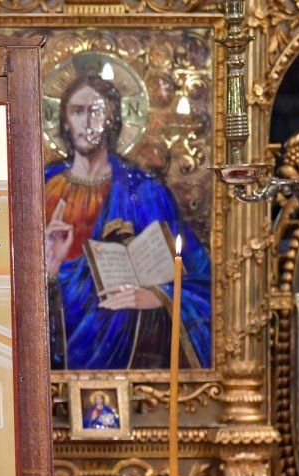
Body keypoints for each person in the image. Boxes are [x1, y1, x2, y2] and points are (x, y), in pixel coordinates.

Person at [44, 74, 211, 370]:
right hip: (55, 352)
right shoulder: (41, 186)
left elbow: (199, 277)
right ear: (65, 121)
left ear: (112, 119)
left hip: (132, 352)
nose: (87, 122)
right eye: (78, 111)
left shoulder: (145, 191)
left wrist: (159, 296)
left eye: (96, 111)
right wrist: (51, 270)